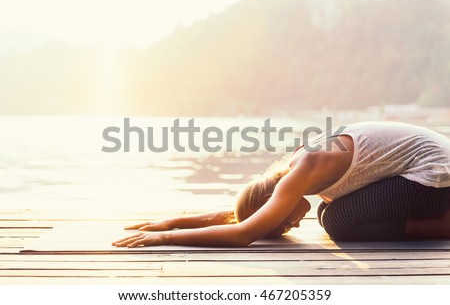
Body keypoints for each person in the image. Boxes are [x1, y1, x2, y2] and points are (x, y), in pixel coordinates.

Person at [112, 121, 450, 248]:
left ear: (274, 200)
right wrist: (174, 219)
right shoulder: (291, 173)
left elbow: (244, 232)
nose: (293, 222)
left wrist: (164, 237)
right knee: (328, 214)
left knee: (338, 221)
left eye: (283, 221)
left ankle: (443, 225)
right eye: (286, 224)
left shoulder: (304, 168)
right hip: (428, 173)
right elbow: (241, 215)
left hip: (436, 175)